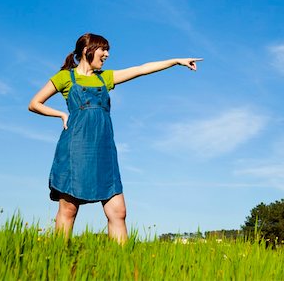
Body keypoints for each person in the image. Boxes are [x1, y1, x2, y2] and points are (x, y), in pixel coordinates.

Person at [28, 33, 202, 244]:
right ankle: (57, 261)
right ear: (87, 50)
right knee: (69, 209)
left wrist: (175, 61)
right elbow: (35, 103)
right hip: (75, 147)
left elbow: (140, 69)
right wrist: (61, 114)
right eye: (103, 49)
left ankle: (122, 265)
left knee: (118, 211)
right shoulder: (65, 77)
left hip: (104, 149)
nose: (107, 54)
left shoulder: (105, 77)